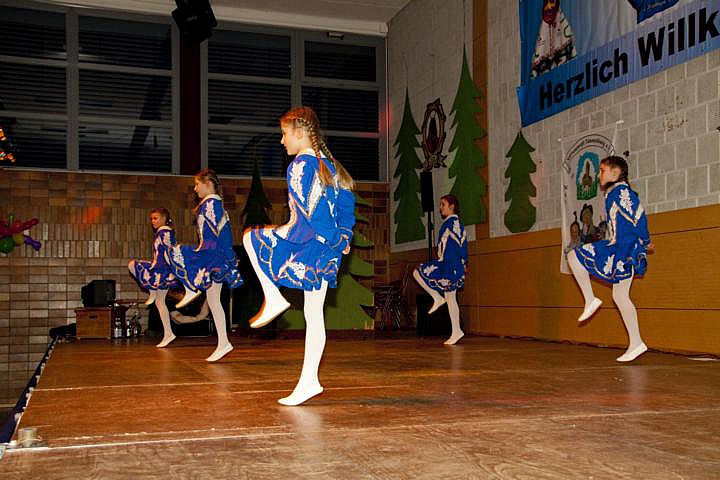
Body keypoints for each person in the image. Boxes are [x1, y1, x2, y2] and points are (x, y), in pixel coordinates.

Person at [243, 106, 355, 406]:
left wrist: (335, 238)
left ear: (301, 132)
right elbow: (346, 206)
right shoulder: (331, 166)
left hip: (309, 242)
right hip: (324, 246)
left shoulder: (301, 166)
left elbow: (314, 212)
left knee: (251, 238)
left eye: (284, 134)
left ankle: (273, 297)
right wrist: (343, 238)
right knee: (313, 314)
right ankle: (310, 381)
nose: (282, 141)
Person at [566, 155, 654, 362]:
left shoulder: (621, 192)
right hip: (618, 246)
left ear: (616, 172)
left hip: (624, 250)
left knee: (573, 255)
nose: (599, 175)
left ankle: (591, 299)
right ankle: (636, 342)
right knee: (620, 296)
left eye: (602, 170)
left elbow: (638, 215)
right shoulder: (614, 193)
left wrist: (646, 241)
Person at [168, 169, 243, 362]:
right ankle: (223, 342)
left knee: (174, 253)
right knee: (214, 300)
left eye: (197, 184)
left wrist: (228, 256)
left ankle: (191, 288)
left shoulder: (211, 204)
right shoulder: (212, 204)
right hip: (213, 253)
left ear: (208, 184)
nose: (195, 189)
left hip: (212, 254)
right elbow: (222, 232)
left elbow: (221, 233)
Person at [413, 194, 468, 345]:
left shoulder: (454, 223)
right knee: (449, 297)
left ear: (452, 206)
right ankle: (455, 329)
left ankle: (455, 329)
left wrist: (463, 262)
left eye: (443, 204)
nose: (440, 208)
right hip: (446, 263)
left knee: (449, 295)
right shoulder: (450, 223)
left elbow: (461, 242)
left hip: (451, 265)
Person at [128, 208, 178, 348]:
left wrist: (171, 270)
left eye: (155, 218)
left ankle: (152, 290)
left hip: (162, 270)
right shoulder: (161, 232)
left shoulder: (165, 232)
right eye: (151, 219)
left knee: (133, 265)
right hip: (158, 267)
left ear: (164, 218)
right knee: (160, 302)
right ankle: (168, 333)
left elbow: (170, 250)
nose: (153, 221)